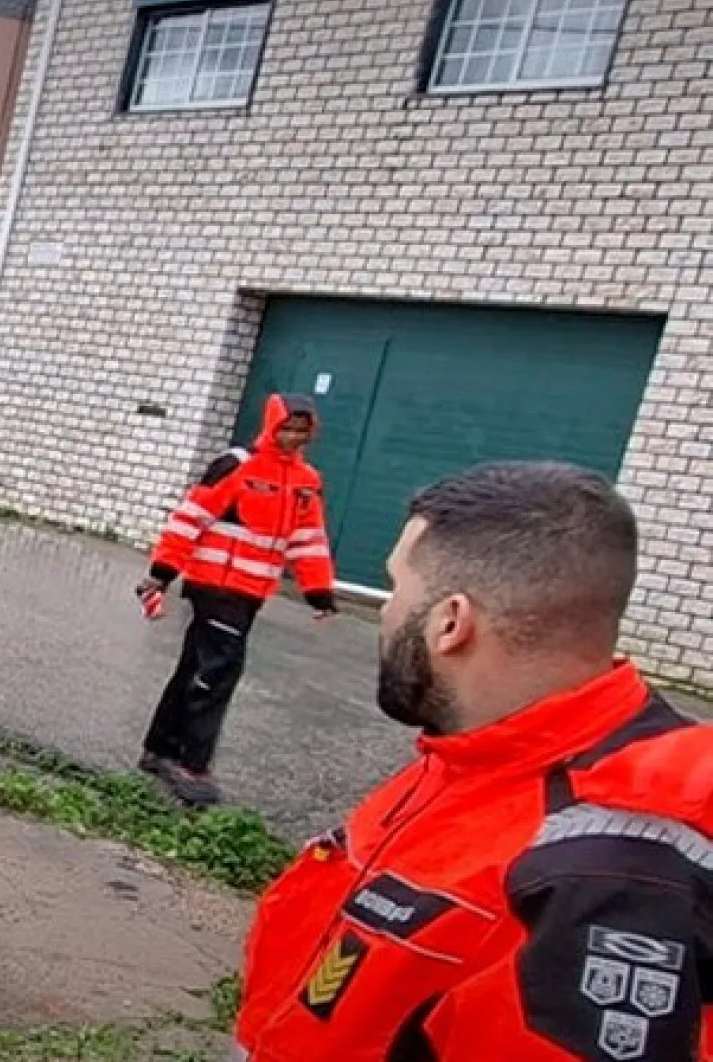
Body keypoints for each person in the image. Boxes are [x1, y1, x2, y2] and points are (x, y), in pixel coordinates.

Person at [233, 461, 711, 1060]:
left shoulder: (603, 882)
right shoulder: (479, 754)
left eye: (396, 588)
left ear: (451, 623)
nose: (386, 612)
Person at [136, 393, 337, 806]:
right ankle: (191, 764)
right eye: (287, 428)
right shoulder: (237, 464)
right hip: (216, 585)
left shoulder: (306, 480)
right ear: (271, 425)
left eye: (302, 431)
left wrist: (318, 591)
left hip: (251, 593)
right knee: (219, 670)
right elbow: (191, 518)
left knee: (196, 666)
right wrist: (162, 573)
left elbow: (308, 540)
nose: (293, 437)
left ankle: (159, 750)